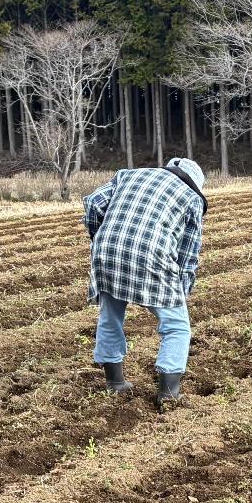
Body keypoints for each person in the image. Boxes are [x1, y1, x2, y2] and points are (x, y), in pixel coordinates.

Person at [84, 157, 207, 406]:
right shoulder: (191, 197)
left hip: (107, 250)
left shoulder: (127, 175)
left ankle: (115, 383)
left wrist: (100, 238)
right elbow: (188, 253)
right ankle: (169, 394)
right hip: (152, 255)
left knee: (110, 316)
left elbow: (94, 203)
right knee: (177, 326)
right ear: (195, 183)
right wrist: (180, 292)